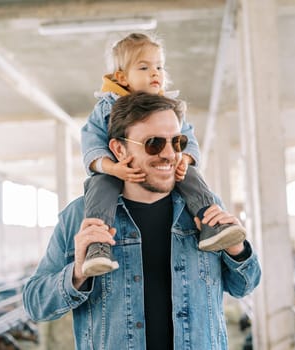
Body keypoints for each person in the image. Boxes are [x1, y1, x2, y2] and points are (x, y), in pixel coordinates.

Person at [23, 92, 261, 349]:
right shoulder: (80, 217)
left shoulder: (206, 210)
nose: (170, 155)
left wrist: (237, 250)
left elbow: (244, 286)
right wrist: (78, 273)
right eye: (154, 143)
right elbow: (36, 305)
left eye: (177, 142)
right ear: (119, 149)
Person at [80, 33, 246, 277]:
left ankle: (209, 223)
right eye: (144, 67)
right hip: (116, 169)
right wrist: (112, 167)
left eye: (159, 66)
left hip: (188, 191)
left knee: (190, 174)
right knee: (100, 184)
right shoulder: (106, 106)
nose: (155, 73)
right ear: (122, 77)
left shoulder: (169, 105)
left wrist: (184, 159)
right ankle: (98, 244)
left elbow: (188, 138)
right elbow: (91, 141)